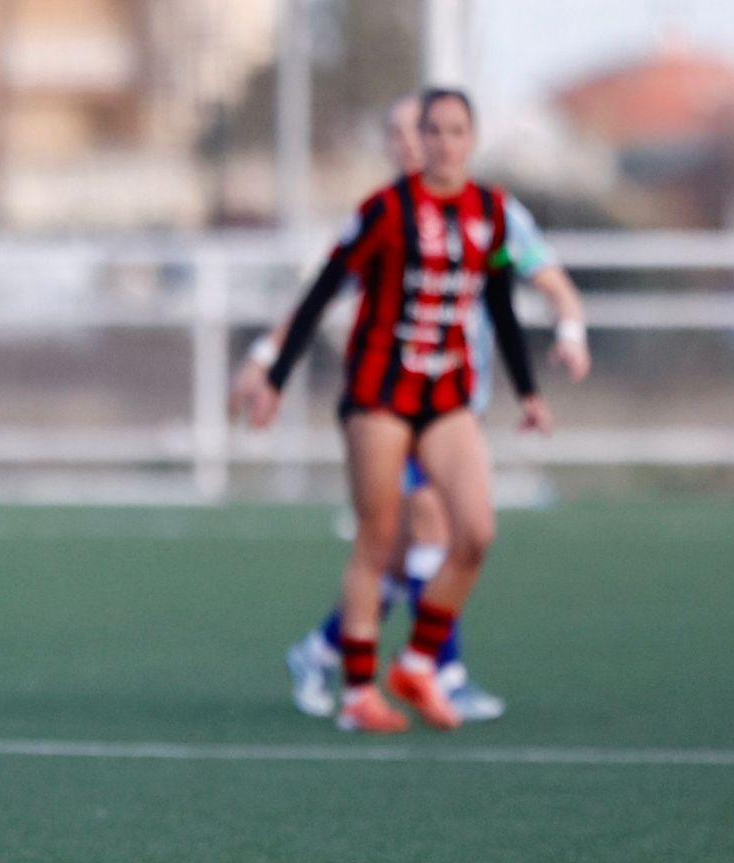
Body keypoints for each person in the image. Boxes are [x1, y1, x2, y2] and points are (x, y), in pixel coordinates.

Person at [236, 92, 590, 725]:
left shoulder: (493, 212)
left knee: (475, 532)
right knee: (384, 541)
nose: (441, 143)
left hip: (450, 395)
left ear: (472, 138)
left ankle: (418, 663)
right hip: (381, 394)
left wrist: (531, 390)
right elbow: (322, 290)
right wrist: (275, 373)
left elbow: (503, 302)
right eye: (430, 131)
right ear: (417, 141)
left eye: (455, 131)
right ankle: (359, 692)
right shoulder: (384, 210)